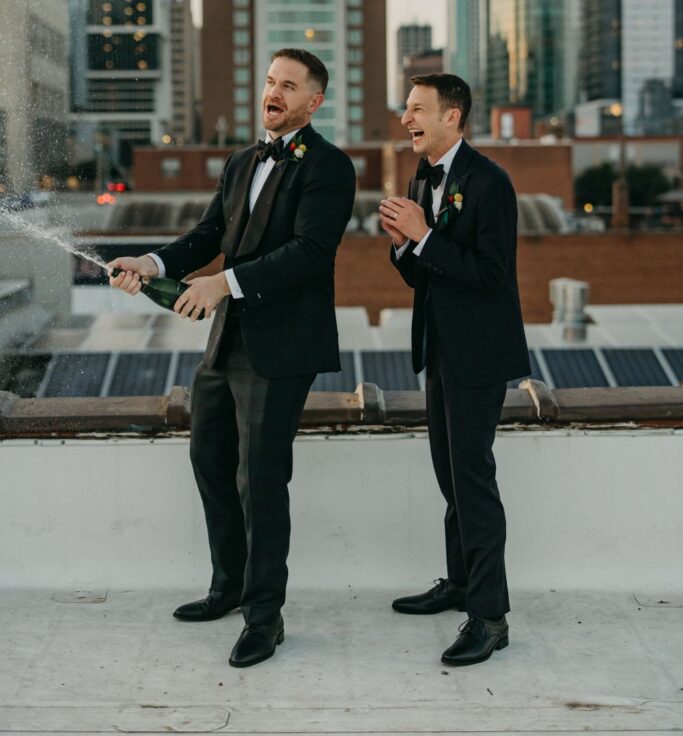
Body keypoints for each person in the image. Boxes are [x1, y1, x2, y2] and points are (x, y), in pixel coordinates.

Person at [109, 48, 356, 668]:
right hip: (227, 341)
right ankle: (229, 587)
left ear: (313, 102)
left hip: (282, 347)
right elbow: (207, 236)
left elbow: (310, 253)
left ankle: (265, 618)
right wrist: (153, 263)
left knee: (261, 478)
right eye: (271, 81)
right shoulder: (242, 160)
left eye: (289, 85)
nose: (274, 92)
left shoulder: (329, 167)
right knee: (209, 457)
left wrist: (224, 284)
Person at [379, 73, 530, 667]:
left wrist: (424, 237)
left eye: (417, 109)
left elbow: (492, 276)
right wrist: (402, 245)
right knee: (448, 473)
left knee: (473, 480)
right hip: (440, 348)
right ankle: (460, 581)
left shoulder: (491, 183)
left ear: (453, 116)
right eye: (405, 109)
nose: (405, 119)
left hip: (480, 355)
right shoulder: (422, 177)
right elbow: (426, 274)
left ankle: (490, 617)